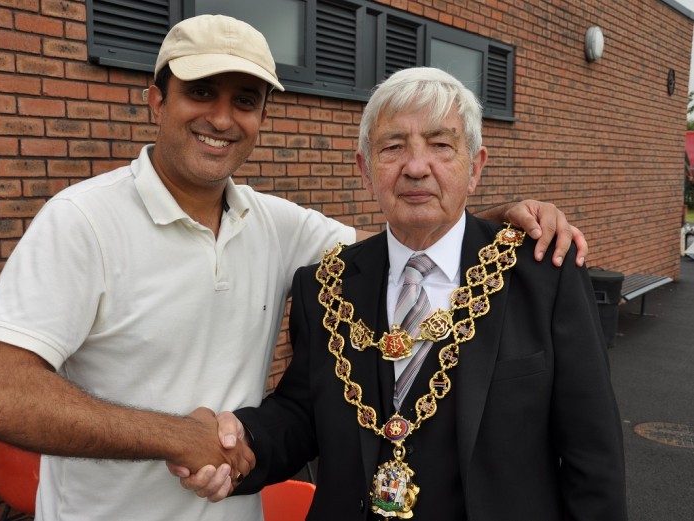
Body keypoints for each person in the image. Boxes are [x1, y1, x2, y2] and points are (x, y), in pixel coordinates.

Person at [0, 14, 587, 521]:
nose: (222, 117)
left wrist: (500, 220)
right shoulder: (82, 221)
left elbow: (417, 241)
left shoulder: (280, 227)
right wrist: (178, 436)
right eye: (200, 91)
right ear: (155, 97)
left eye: (246, 99)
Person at [188, 67, 627, 520]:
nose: (416, 167)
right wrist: (241, 440)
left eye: (441, 145)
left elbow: (592, 456)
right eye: (393, 147)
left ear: (474, 166)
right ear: (365, 170)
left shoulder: (544, 276)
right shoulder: (324, 286)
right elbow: (304, 412)